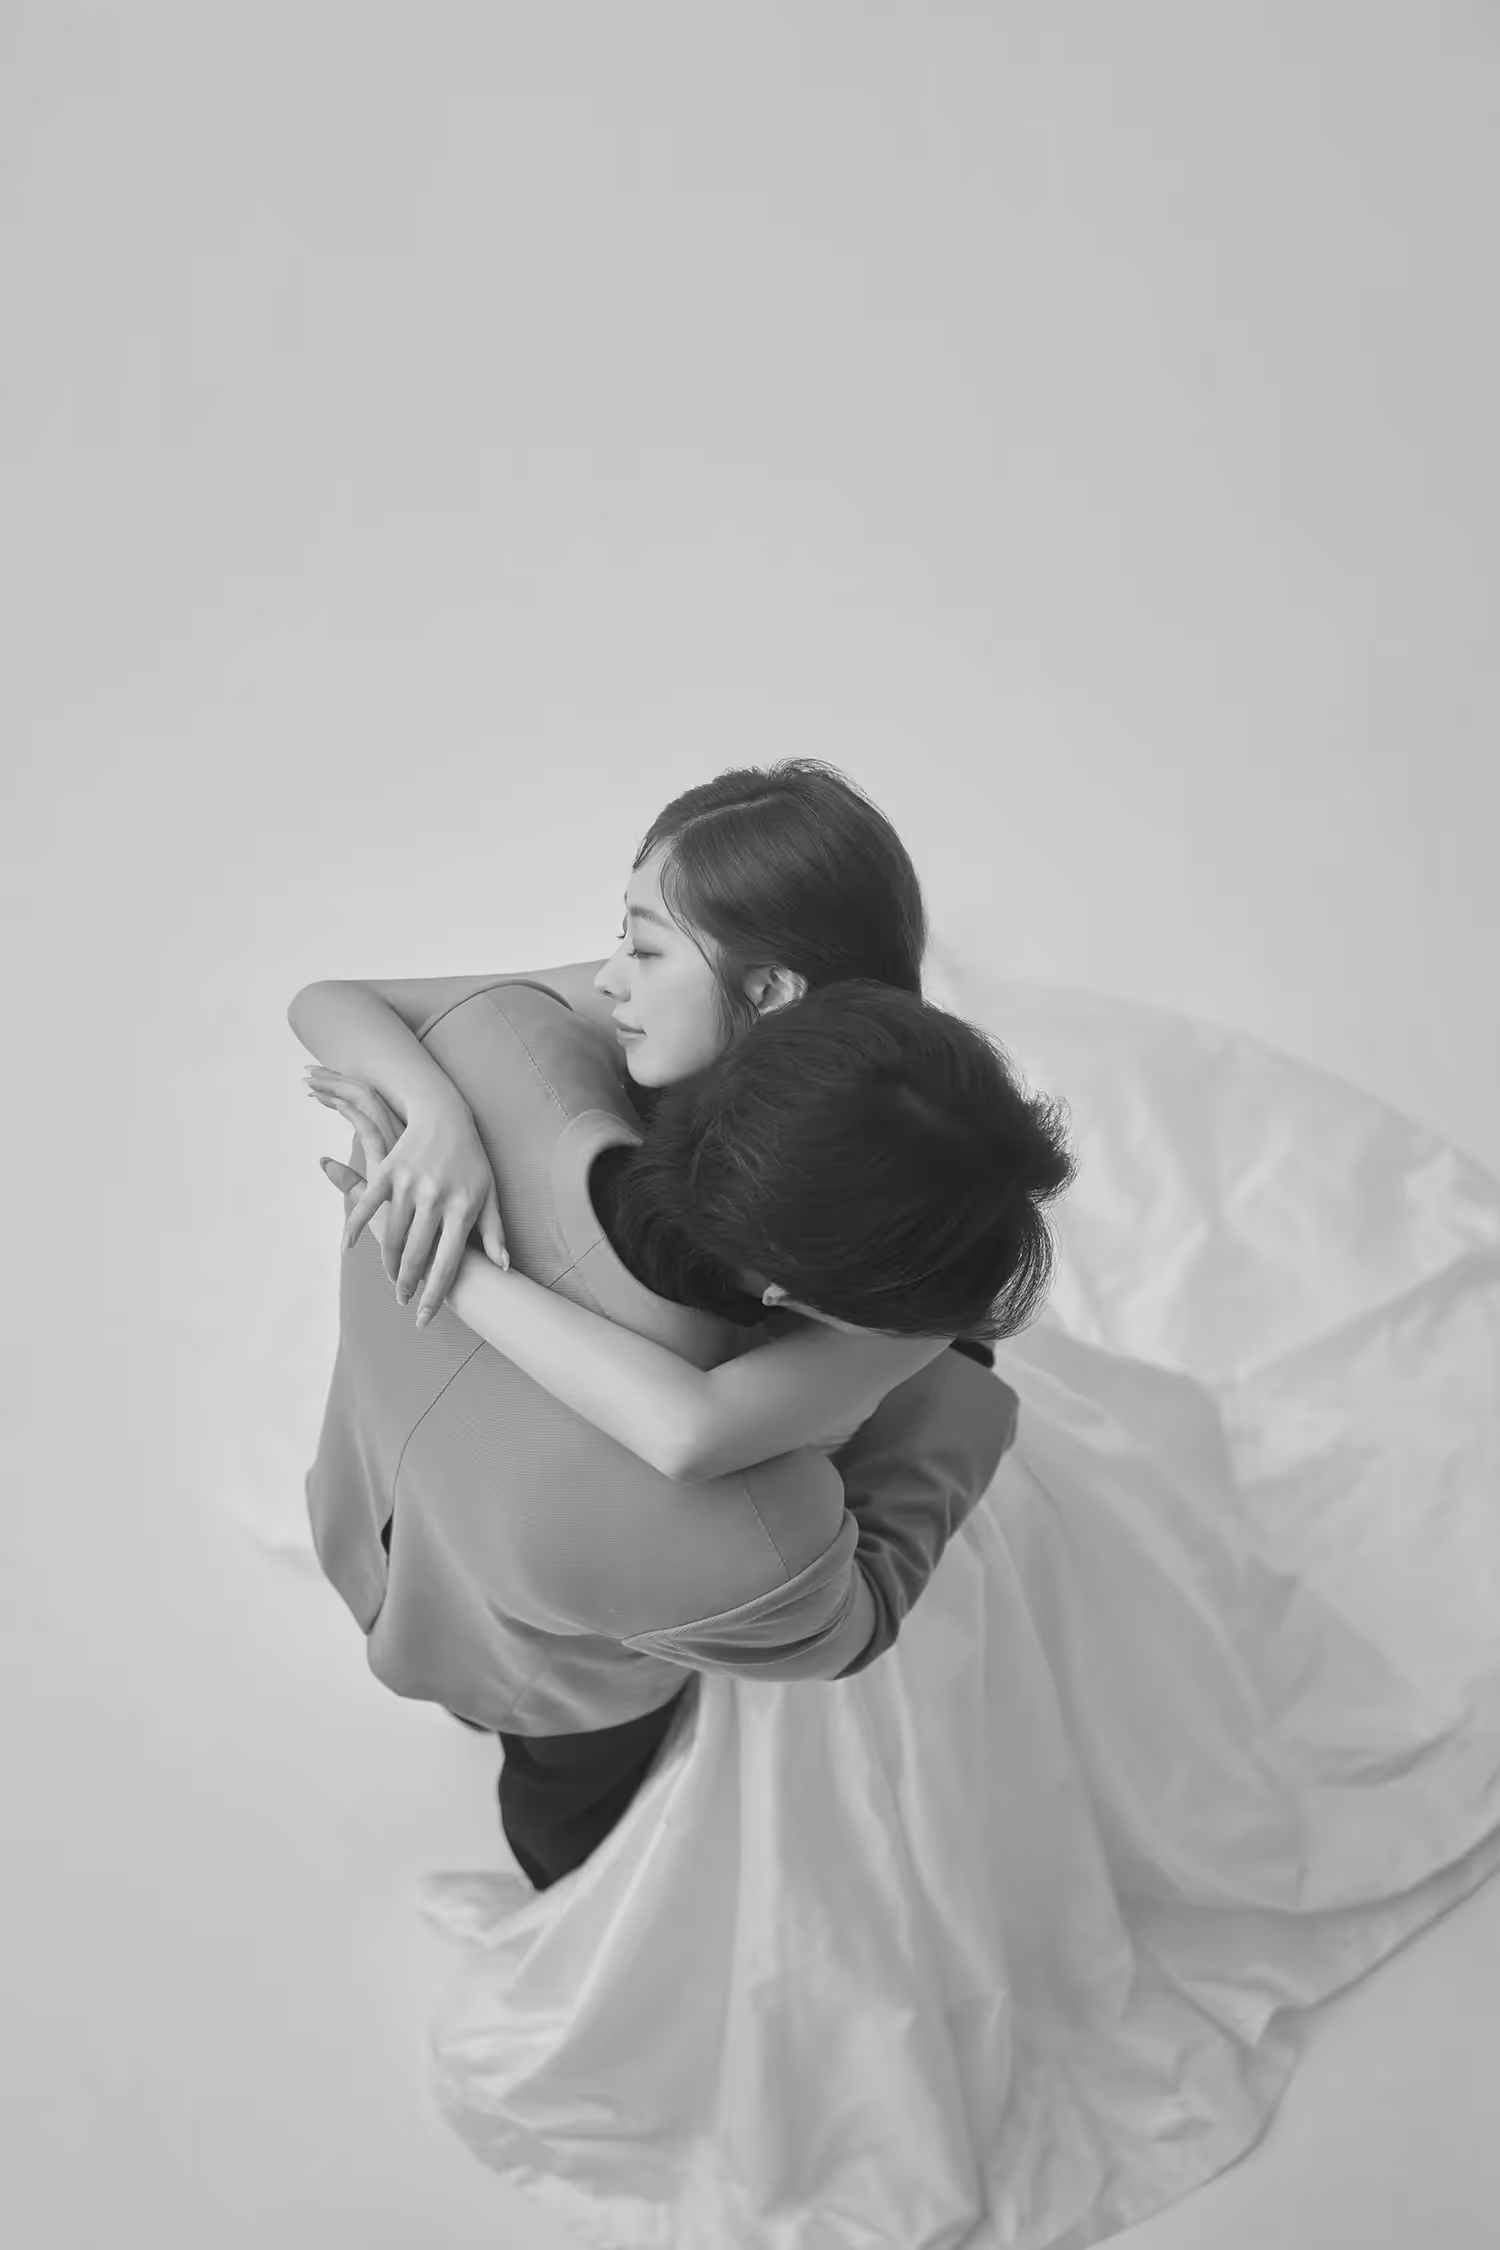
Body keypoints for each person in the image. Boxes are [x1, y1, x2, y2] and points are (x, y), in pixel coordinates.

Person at [289, 760, 1500, 2250]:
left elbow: (692, 1420)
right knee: (588, 1781)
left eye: (645, 946)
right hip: (554, 1609)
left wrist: (445, 1221)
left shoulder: (519, 1074)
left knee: (565, 1759)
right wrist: (939, 1363)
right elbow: (821, 1577)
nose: (608, 976)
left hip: (456, 1505)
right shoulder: (742, 1508)